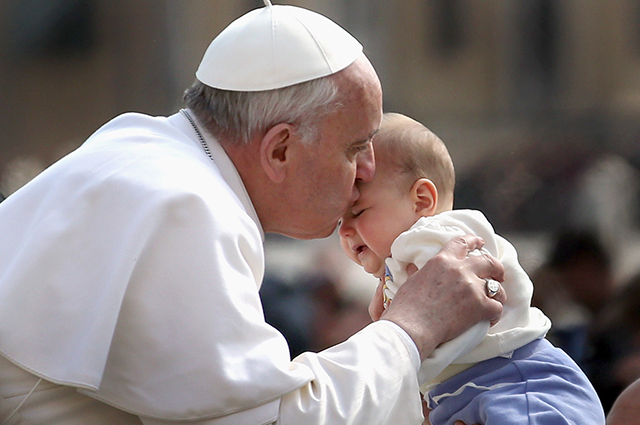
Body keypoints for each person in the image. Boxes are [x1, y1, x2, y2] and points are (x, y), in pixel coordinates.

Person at [0, 3, 506, 425]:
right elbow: (271, 418)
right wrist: (413, 326)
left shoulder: (150, 150)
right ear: (281, 150)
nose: (367, 170)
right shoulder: (185, 206)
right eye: (356, 147)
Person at [338, 112, 606, 424]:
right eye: (340, 219)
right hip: (466, 392)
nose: (345, 230)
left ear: (421, 200)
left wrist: (393, 365)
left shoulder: (442, 238)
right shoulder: (403, 263)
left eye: (357, 211)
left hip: (519, 382)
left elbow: (451, 324)